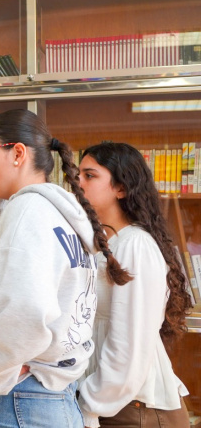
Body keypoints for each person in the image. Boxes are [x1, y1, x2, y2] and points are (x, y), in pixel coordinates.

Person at [0, 109, 131, 428]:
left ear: (17, 153)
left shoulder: (27, 210)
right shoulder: (61, 212)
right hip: (54, 394)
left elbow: (26, 309)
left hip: (16, 400)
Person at [76, 142, 191, 427]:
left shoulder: (134, 245)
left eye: (89, 176)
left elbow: (129, 345)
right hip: (108, 403)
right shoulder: (103, 243)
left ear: (121, 188)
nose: (77, 182)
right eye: (77, 174)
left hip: (131, 409)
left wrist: (87, 402)